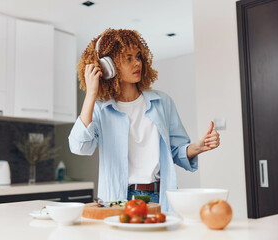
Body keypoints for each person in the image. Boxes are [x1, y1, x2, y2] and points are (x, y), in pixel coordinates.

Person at [68, 29, 220, 211]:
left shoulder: (162, 102)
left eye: (138, 56)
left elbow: (175, 152)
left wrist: (198, 146)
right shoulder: (101, 108)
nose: (137, 63)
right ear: (109, 66)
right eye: (128, 58)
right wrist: (91, 94)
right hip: (119, 199)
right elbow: (79, 146)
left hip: (158, 197)